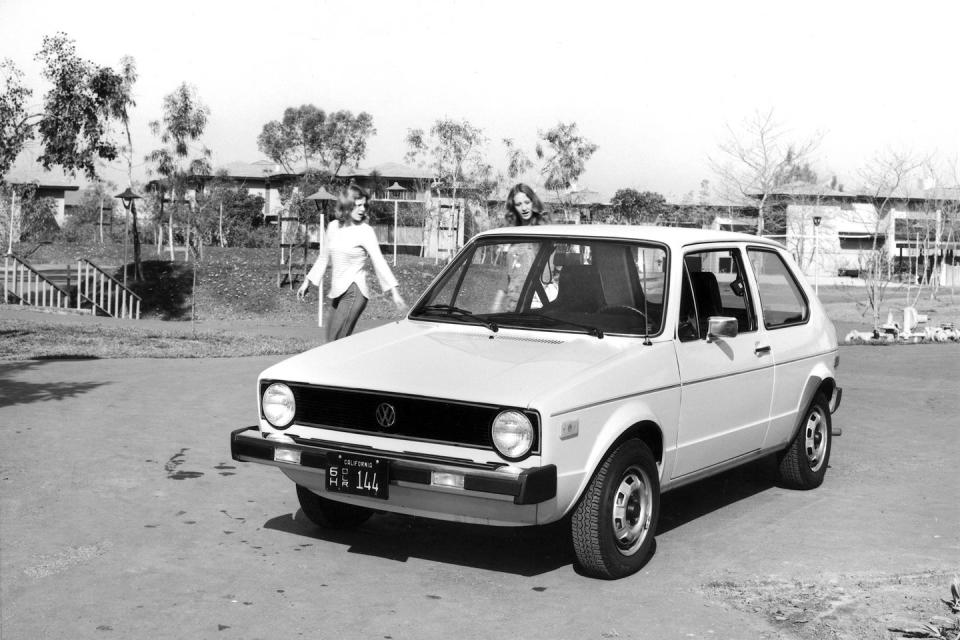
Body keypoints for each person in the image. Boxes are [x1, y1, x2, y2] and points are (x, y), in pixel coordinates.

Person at [297, 185, 407, 341]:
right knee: (331, 342)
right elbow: (323, 257)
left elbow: (378, 260)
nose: (363, 209)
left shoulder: (365, 231)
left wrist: (394, 292)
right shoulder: (334, 227)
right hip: (338, 291)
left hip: (354, 291)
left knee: (335, 342)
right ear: (347, 205)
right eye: (358, 205)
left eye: (364, 205)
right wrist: (307, 282)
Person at [493, 184, 550, 311]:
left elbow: (548, 275)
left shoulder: (544, 231)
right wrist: (496, 306)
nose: (524, 208)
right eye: (518, 204)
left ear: (533, 203)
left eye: (527, 202)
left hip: (535, 306)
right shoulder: (511, 233)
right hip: (512, 306)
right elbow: (506, 276)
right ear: (513, 208)